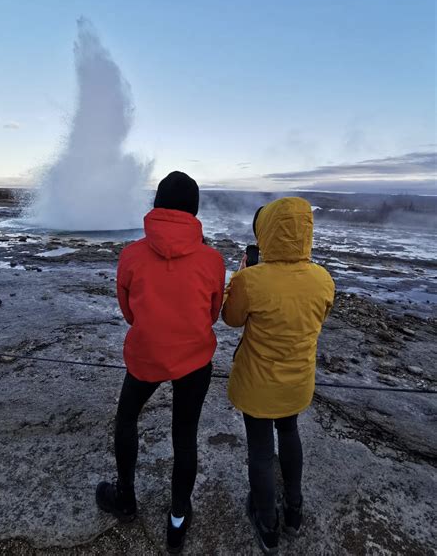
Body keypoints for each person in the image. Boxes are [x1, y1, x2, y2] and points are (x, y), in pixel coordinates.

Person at [96, 171, 225, 554]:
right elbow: (214, 312)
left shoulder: (131, 254)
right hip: (194, 358)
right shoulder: (212, 259)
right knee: (184, 437)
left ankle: (126, 499)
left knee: (126, 420)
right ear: (194, 210)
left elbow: (128, 310)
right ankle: (177, 521)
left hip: (145, 355)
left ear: (157, 205)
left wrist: (152, 327)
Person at [222, 197, 334, 555]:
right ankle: (295, 510)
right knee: (289, 433)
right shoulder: (322, 279)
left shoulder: (252, 281)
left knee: (259, 450)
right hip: (297, 380)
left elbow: (231, 319)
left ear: (267, 232)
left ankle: (267, 523)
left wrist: (241, 274)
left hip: (258, 384)